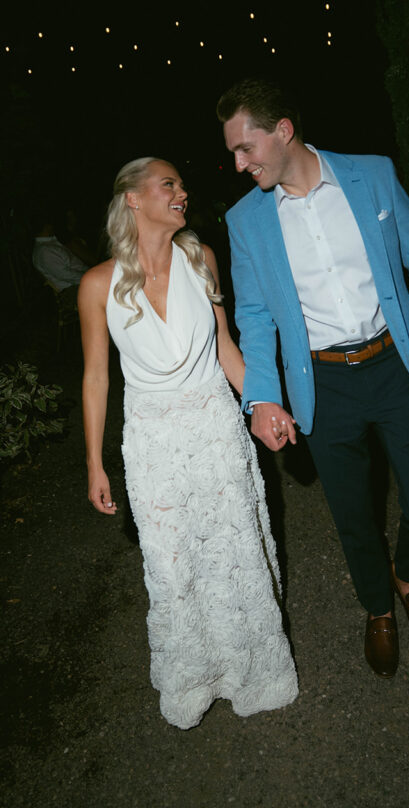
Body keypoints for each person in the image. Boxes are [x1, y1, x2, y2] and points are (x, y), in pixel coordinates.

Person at [217, 78, 409, 680]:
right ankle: (377, 607)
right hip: (322, 382)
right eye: (234, 152)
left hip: (394, 363)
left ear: (283, 131)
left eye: (245, 147)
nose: (238, 163)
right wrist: (261, 397)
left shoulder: (373, 176)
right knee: (352, 513)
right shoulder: (245, 221)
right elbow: (254, 317)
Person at [78, 156, 298, 729]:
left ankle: (254, 671)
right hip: (152, 443)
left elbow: (226, 348)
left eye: (180, 184)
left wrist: (266, 406)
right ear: (133, 198)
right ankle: (195, 678)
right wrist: (94, 462)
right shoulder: (97, 285)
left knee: (234, 552)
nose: (182, 192)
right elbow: (96, 377)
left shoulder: (201, 259)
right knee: (174, 566)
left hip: (214, 427)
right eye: (167, 184)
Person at [33, 218, 89, 311]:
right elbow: (66, 275)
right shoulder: (44, 251)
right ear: (46, 227)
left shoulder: (49, 244)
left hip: (79, 282)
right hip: (72, 289)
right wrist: (89, 276)